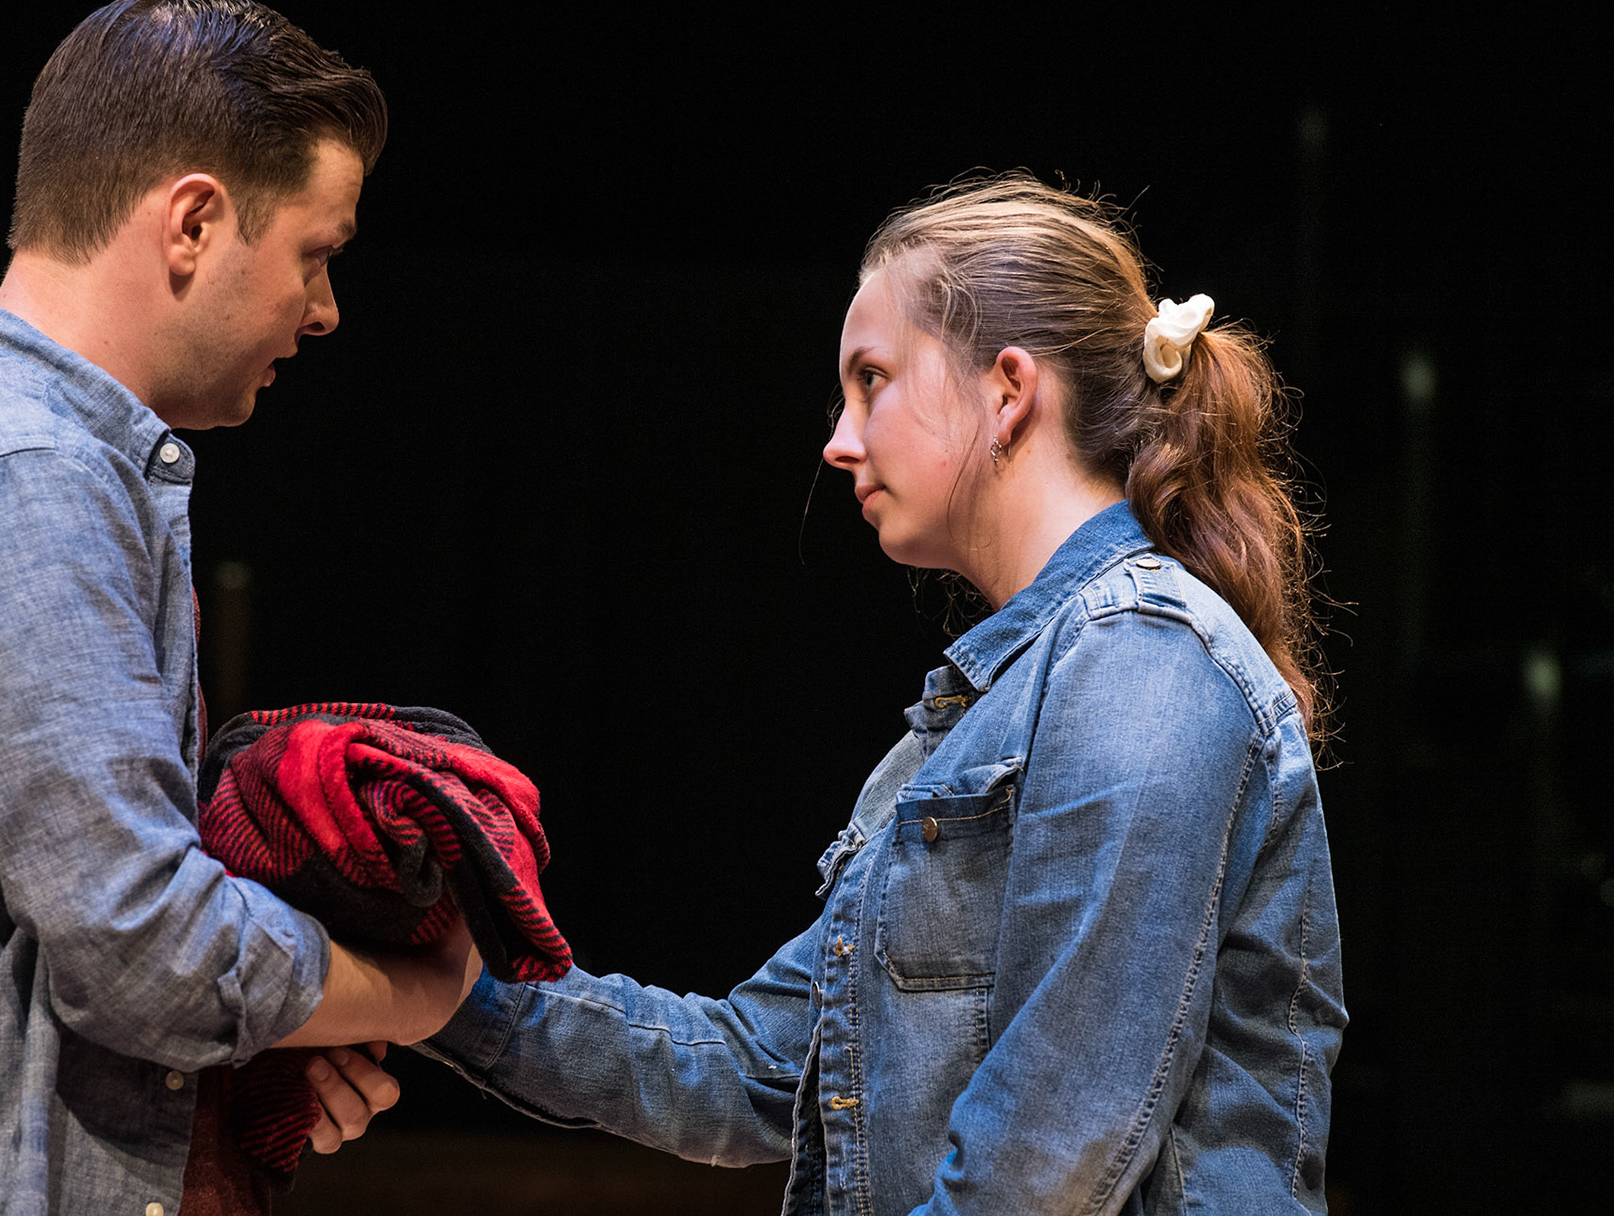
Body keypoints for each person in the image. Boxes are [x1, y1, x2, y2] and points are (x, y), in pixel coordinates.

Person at [421, 175, 1347, 1213]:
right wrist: (445, 993)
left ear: (1008, 390)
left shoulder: (1144, 652)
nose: (839, 439)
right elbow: (754, 1065)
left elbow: (1050, 1158)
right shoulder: (980, 714)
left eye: (873, 379)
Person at [0, 0, 476, 1215]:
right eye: (315, 253)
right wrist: (414, 987)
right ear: (193, 221)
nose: (326, 307)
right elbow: (143, 948)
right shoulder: (20, 477)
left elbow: (81, 961)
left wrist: (254, 1047)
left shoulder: (15, 459)